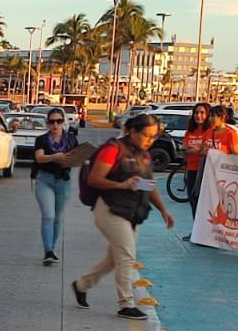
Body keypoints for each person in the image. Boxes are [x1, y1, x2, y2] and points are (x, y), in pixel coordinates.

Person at [71, 113, 175, 318]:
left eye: (153, 136)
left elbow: (149, 185)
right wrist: (121, 185)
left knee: (114, 258)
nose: (150, 140)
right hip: (109, 209)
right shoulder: (113, 149)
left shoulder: (143, 155)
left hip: (131, 212)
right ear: (132, 131)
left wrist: (164, 210)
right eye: (146, 135)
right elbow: (94, 179)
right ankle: (125, 303)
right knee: (127, 255)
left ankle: (82, 284)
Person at [31, 108, 79, 264]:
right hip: (45, 180)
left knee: (58, 218)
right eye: (52, 122)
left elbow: (78, 157)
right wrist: (54, 157)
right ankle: (48, 251)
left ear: (64, 122)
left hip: (64, 181)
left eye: (59, 121)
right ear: (48, 124)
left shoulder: (71, 139)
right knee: (49, 216)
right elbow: (39, 158)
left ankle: (52, 247)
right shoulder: (42, 140)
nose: (55, 125)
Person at [180, 101, 213, 218]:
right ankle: (195, 230)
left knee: (204, 202)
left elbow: (208, 150)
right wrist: (198, 149)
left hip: (206, 171)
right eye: (196, 112)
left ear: (208, 115)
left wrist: (194, 149)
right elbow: (183, 150)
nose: (198, 115)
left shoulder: (210, 132)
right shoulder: (189, 132)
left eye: (202, 113)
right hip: (191, 169)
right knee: (192, 199)